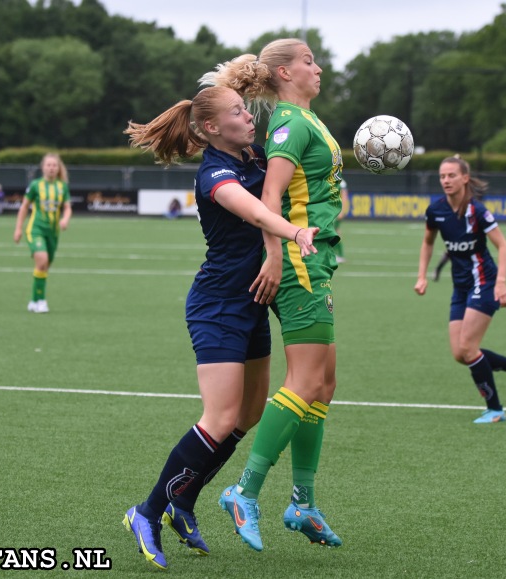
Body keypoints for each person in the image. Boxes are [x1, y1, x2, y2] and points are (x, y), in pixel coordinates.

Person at [120, 85, 320, 570]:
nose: (248, 116)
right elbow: (252, 210)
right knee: (220, 417)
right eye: (236, 112)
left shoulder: (252, 152)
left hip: (252, 304)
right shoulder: (215, 172)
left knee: (249, 414)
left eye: (244, 108)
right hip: (217, 306)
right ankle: (147, 511)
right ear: (211, 128)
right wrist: (292, 231)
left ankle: (182, 504)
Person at [201, 38, 344, 552]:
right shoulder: (290, 124)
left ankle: (303, 502)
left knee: (324, 385)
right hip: (301, 263)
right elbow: (271, 197)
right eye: (308, 60)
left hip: (317, 261)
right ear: (284, 72)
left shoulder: (310, 120)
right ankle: (244, 492)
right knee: (304, 381)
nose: (318, 67)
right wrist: (278, 255)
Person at [414, 156, 506, 423]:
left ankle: (496, 409)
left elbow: (503, 245)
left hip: (485, 283)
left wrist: (501, 283)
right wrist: (421, 276)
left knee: (468, 348)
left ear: (465, 178)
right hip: (461, 287)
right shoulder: (436, 210)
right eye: (442, 176)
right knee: (460, 353)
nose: (446, 180)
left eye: (451, 175)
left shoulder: (478, 211)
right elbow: (427, 243)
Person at [13, 153, 72, 314]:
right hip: (36, 229)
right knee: (42, 261)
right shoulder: (35, 185)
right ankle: (41, 301)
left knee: (44, 267)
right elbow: (24, 207)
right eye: (48, 165)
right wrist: (18, 228)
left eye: (54, 165)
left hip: (53, 232)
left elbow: (67, 207)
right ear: (43, 167)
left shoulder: (62, 187)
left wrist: (65, 220)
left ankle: (33, 300)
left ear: (58, 168)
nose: (51, 168)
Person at [333, 179, 348, 263]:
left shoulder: (341, 182)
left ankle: (339, 255)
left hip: (337, 211)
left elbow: (344, 197)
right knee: (336, 231)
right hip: (333, 210)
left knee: (335, 232)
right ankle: (338, 254)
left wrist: (342, 212)